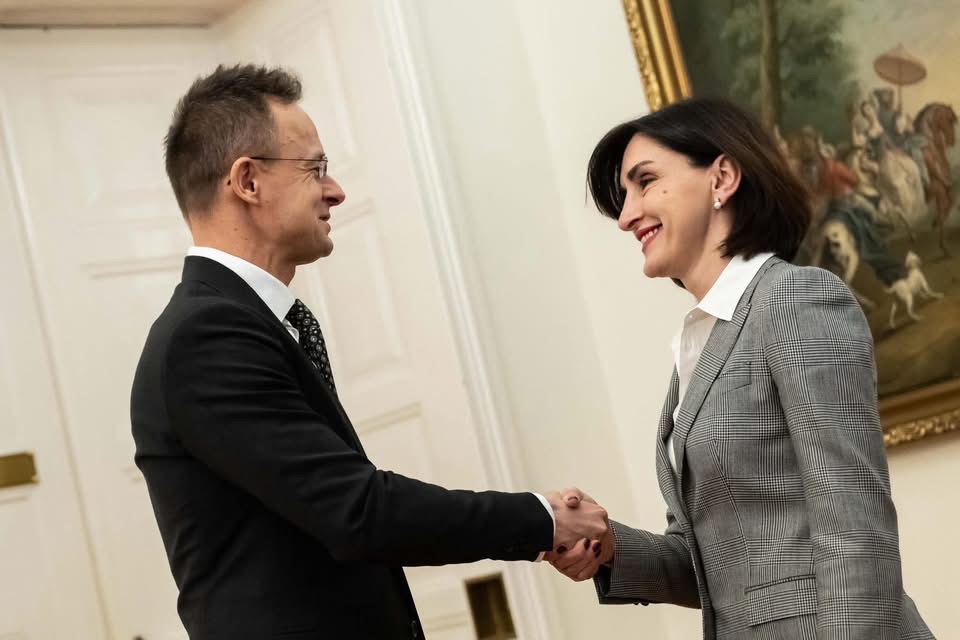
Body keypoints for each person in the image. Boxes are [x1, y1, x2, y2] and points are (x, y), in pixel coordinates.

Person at [130, 64, 608, 640]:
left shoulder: (237, 322)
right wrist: (542, 519)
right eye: (315, 169)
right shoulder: (207, 335)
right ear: (248, 181)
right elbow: (358, 511)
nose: (336, 190)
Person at [546, 98, 933, 639]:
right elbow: (718, 569)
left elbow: (857, 530)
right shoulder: (698, 344)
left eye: (645, 181)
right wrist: (609, 548)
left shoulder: (794, 299)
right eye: (625, 196)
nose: (627, 216)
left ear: (722, 178)